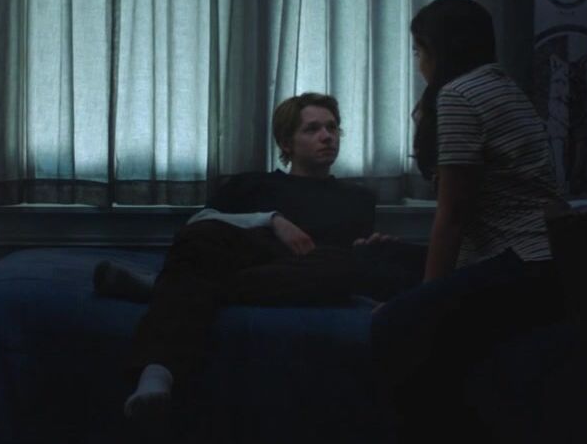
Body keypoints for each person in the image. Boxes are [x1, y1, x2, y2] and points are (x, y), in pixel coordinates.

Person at [94, 93, 424, 422]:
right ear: (286, 142)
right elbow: (197, 226)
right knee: (201, 238)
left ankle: (167, 287)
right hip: (249, 257)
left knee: (348, 265)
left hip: (308, 271)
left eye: (332, 127)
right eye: (312, 129)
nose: (327, 136)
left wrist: (370, 248)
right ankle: (156, 374)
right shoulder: (252, 184)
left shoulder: (358, 198)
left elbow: (347, 260)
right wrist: (272, 220)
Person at [369, 0, 565, 444]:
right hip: (530, 261)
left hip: (525, 265)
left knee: (394, 326)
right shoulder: (504, 87)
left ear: (438, 49)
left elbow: (452, 215)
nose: (417, 62)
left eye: (418, 50)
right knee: (376, 257)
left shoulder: (458, 95)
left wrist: (423, 301)